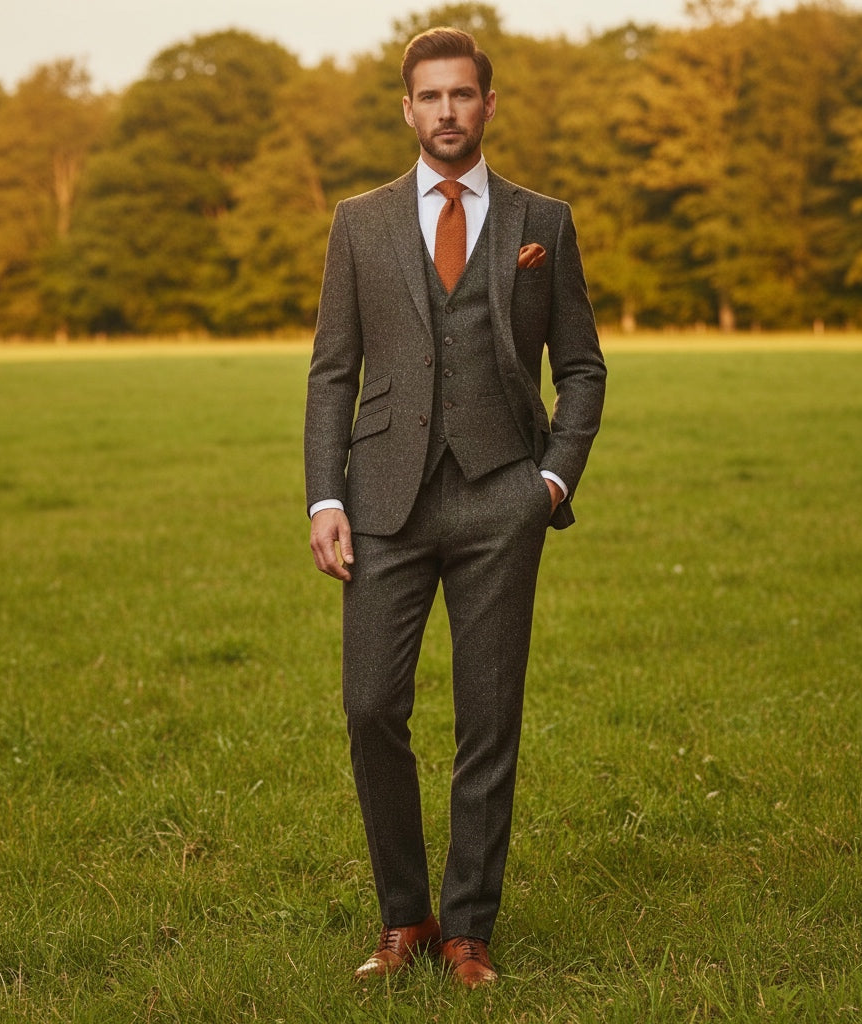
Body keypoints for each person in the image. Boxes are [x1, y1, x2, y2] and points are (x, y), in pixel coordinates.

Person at [304, 26, 606, 989]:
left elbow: (583, 367)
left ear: (487, 103)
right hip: (381, 502)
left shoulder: (543, 221)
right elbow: (332, 371)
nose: (447, 111)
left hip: (499, 500)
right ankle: (405, 917)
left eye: (462, 94)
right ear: (407, 109)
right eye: (430, 96)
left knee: (489, 719)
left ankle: (468, 928)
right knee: (370, 707)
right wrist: (325, 496)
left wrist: (550, 482)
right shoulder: (359, 222)